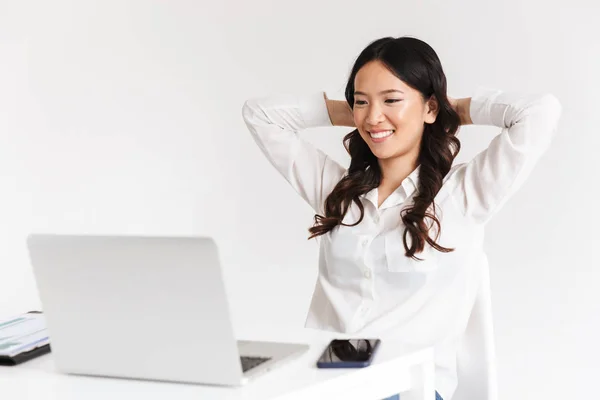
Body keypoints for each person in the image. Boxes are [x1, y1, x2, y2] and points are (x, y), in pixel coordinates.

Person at [241, 36, 561, 400]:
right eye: (362, 101)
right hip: (322, 384)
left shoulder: (464, 195)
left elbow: (540, 111)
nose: (373, 116)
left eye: (392, 99)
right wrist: (357, 111)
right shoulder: (337, 192)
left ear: (429, 107)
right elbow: (259, 114)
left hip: (407, 389)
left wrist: (451, 110)